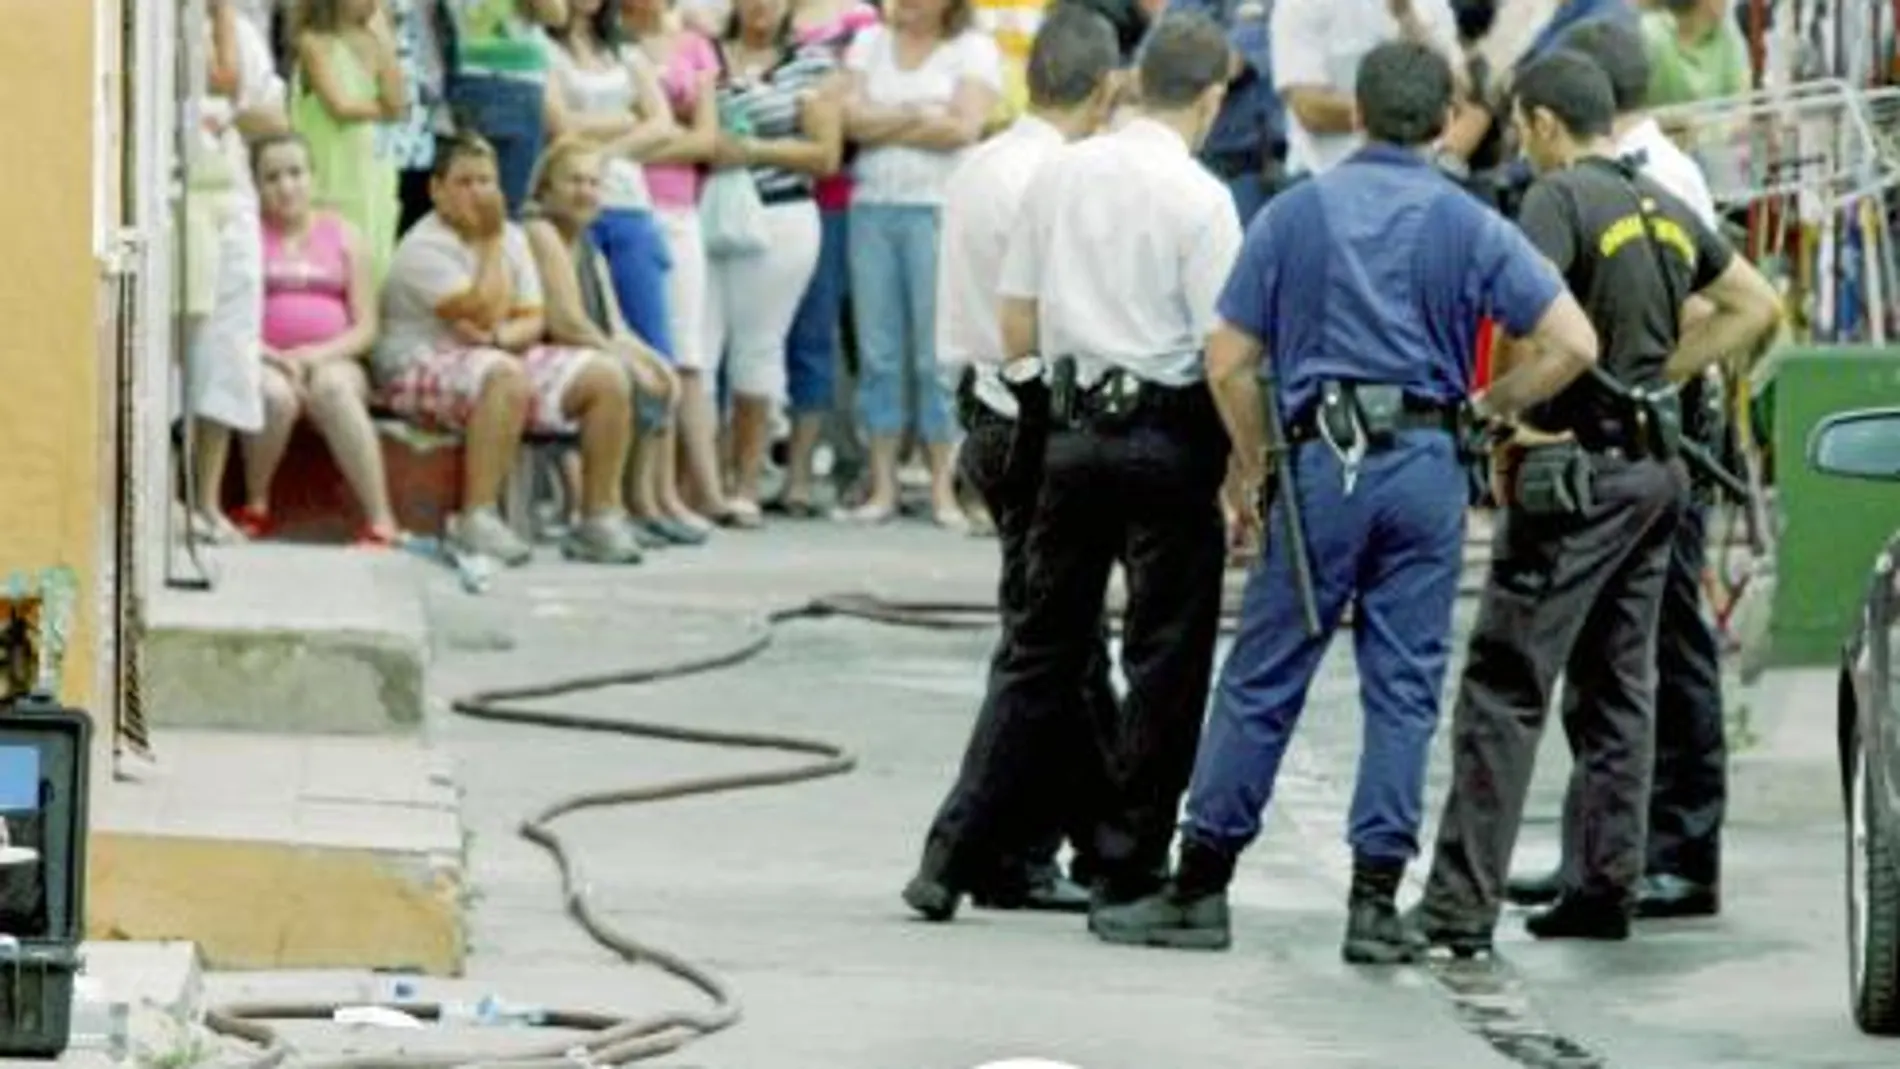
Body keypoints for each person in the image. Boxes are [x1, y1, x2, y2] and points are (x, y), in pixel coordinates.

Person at [1087, 39, 1599, 960]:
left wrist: (1253, 465)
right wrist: (1489, 409)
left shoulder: (1295, 215)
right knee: (1403, 687)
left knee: (1265, 674)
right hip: (1428, 465)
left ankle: (1200, 886)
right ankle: (1373, 906)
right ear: (1446, 123)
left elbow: (1228, 360)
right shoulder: (1472, 222)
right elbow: (1574, 340)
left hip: (1325, 461)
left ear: (1356, 115)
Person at [1412, 50, 1781, 953]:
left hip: (1573, 474)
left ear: (1541, 121)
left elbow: (1528, 318)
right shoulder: (1662, 202)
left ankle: (1459, 904)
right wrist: (1654, 382)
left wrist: (1502, 410)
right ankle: (1601, 885)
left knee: (1506, 685)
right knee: (1620, 684)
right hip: (1656, 476)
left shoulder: (1558, 199)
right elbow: (1753, 302)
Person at [900, 11, 1241, 923]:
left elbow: (1017, 321)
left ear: (1133, 86)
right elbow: (1224, 352)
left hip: (1066, 421)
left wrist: (1050, 424)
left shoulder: (1059, 175)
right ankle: (1126, 864)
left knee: (1041, 648)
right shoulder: (1203, 198)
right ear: (1209, 99)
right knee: (1165, 651)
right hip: (1168, 430)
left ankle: (952, 853)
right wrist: (1247, 463)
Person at [1503, 16, 1729, 921]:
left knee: (1663, 655)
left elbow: (1714, 302)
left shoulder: (1651, 182)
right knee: (1615, 663)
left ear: (1561, 111)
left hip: (1642, 437)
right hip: (1645, 435)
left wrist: (1638, 382)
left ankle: (1676, 850)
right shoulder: (1639, 174)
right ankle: (1598, 854)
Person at [907, 3, 1125, 920]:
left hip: (982, 411)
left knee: (1066, 649)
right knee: (1047, 648)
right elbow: (1058, 315)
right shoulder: (1061, 177)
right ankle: (964, 849)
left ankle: (1060, 844)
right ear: (1109, 88)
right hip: (1033, 413)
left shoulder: (984, 162)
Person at [374, 134, 648, 564]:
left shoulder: (514, 239)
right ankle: (476, 519)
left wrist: (502, 337)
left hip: (494, 355)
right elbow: (479, 312)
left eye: (487, 181)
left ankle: (598, 517)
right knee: (504, 375)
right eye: (465, 182)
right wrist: (487, 249)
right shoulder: (423, 247)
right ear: (436, 190)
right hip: (416, 362)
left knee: (606, 376)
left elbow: (532, 319)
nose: (478, 193)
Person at [238, 132, 405, 546]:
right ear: (256, 186)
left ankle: (380, 520)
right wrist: (273, 356)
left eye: (295, 173)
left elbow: (367, 327)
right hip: (261, 358)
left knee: (332, 390)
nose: (286, 186)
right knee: (275, 397)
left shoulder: (346, 236)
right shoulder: (244, 238)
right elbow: (232, 318)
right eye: (272, 177)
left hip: (335, 359)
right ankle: (255, 504)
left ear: (312, 177)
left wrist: (315, 356)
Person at [1268, 0, 1467, 180]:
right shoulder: (1300, 5)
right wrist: (1412, 107)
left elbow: (1457, 96)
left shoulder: (1432, 5)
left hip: (1418, 178)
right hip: (1326, 177)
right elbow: (1310, 109)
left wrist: (1407, 18)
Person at [1163, 0, 1285, 223]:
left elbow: (1229, 66)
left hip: (1260, 165)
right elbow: (1147, 69)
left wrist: (1182, 60)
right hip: (1199, 161)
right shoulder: (1185, 6)